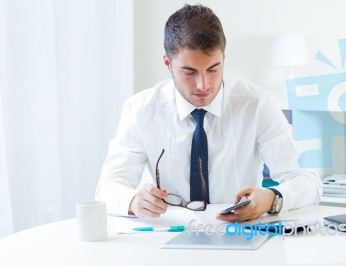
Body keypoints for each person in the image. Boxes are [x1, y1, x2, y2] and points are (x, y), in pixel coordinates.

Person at [95, 4, 322, 222]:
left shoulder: (258, 105)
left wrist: (272, 199)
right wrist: (133, 200)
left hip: (240, 234)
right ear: (167, 62)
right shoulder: (140, 110)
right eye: (189, 71)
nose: (203, 84)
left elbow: (308, 181)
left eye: (213, 69)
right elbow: (107, 188)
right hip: (166, 235)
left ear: (224, 59)